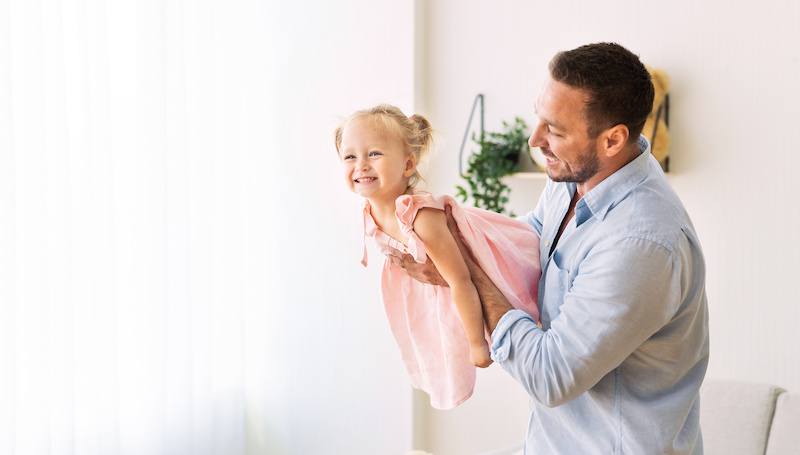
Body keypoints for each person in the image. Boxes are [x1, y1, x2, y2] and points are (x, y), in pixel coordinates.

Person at [391, 43, 710, 454]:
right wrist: (449, 233)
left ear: (613, 140)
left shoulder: (642, 243)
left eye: (555, 130)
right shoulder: (573, 179)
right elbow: (527, 248)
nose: (534, 138)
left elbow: (550, 376)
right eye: (539, 117)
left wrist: (465, 276)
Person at [335, 104, 542, 409]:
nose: (361, 165)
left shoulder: (420, 217)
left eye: (374, 154)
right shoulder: (372, 211)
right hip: (430, 288)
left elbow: (461, 280)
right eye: (350, 156)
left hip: (493, 268)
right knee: (428, 337)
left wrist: (477, 343)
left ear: (408, 166)